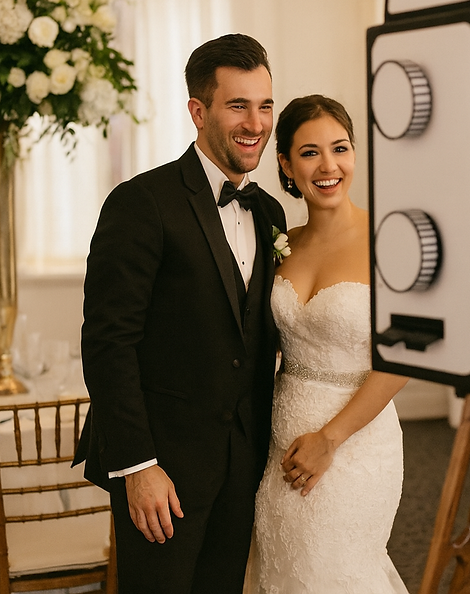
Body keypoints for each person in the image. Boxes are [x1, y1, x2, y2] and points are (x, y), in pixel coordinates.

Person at [74, 33, 287, 594]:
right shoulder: (141, 203)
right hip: (161, 472)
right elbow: (107, 344)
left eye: (265, 105)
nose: (256, 123)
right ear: (198, 110)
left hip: (242, 466)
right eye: (237, 105)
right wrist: (138, 466)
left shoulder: (269, 212)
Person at [248, 95, 409, 593]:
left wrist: (329, 440)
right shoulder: (279, 242)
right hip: (279, 444)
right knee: (281, 571)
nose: (329, 166)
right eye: (310, 152)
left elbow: (402, 357)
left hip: (356, 447)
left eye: (340, 148)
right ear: (286, 165)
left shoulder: (391, 238)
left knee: (335, 572)